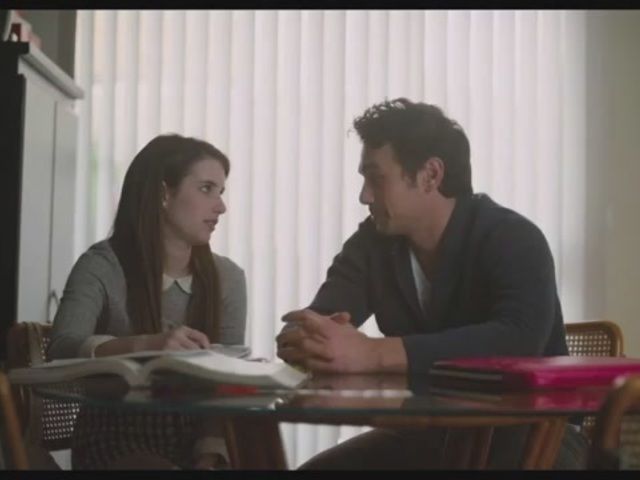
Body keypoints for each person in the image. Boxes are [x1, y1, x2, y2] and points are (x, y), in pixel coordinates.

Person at [276, 98, 589, 469]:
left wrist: (373, 353)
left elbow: (518, 339)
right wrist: (307, 338)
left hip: (535, 433)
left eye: (376, 178)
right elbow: (320, 320)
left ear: (430, 175)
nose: (364, 195)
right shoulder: (372, 243)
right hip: (430, 432)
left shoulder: (514, 237)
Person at [48, 134, 246, 470]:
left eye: (221, 192)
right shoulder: (102, 265)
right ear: (163, 194)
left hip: (198, 443)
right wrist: (148, 346)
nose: (221, 206)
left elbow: (225, 384)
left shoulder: (229, 278)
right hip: (113, 439)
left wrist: (208, 455)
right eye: (206, 189)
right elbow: (62, 348)